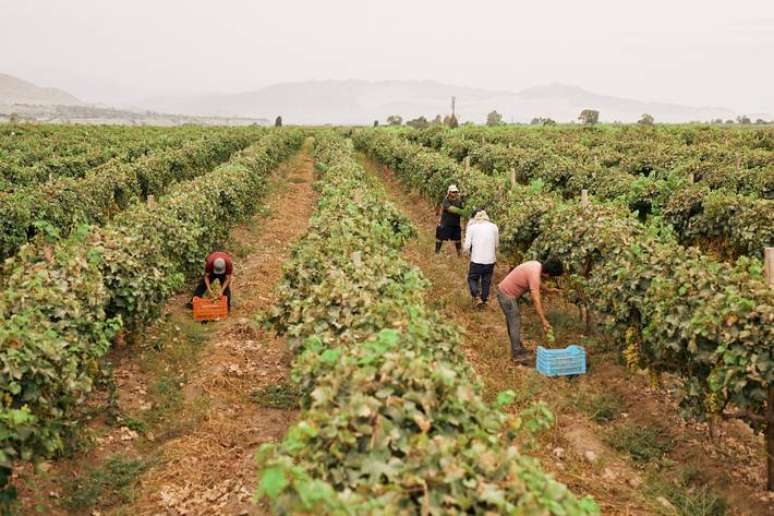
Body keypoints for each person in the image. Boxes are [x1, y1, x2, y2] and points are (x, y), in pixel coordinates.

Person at [496, 257, 564, 362]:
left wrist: (549, 290)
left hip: (505, 293)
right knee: (515, 322)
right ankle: (517, 354)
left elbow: (536, 282)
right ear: (547, 274)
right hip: (506, 296)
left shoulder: (536, 266)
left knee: (513, 322)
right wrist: (544, 320)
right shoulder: (535, 274)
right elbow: (536, 300)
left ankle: (519, 349)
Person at [463, 210, 498, 309]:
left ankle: (477, 297)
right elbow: (496, 244)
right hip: (490, 260)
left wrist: (465, 252)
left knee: (472, 278)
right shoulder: (494, 227)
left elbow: (467, 246)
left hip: (476, 259)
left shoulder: (472, 227)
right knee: (486, 280)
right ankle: (484, 300)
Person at [435, 184, 465, 256]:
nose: (454, 193)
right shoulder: (446, 200)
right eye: (453, 192)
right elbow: (451, 209)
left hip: (455, 223)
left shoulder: (459, 201)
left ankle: (459, 254)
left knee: (458, 240)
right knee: (440, 238)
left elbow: (462, 209)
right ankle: (437, 252)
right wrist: (464, 212)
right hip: (446, 223)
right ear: (449, 192)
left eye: (455, 192)